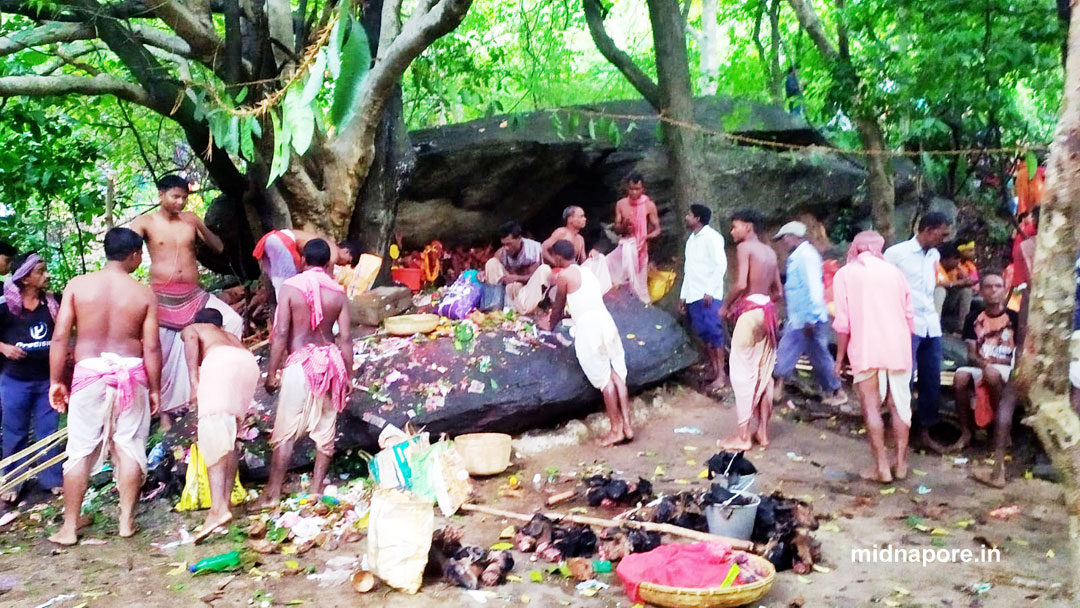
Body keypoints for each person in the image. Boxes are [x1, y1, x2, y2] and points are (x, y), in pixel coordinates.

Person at [47, 228, 161, 545]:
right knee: (128, 446)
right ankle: (126, 521)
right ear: (135, 255)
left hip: (89, 372)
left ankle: (69, 527)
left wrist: (57, 380)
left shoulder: (78, 286)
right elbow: (151, 347)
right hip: (131, 373)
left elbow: (59, 338)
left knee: (80, 450)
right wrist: (154, 388)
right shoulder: (143, 294)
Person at [129, 175, 243, 429]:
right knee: (165, 353)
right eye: (175, 197)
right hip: (162, 296)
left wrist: (200, 228)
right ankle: (167, 416)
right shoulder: (145, 222)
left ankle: (216, 388)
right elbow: (122, 246)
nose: (180, 202)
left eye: (184, 198)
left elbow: (219, 247)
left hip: (194, 294)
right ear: (161, 195)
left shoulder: (190, 219)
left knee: (233, 322)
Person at [249, 239, 351, 511]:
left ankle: (272, 495)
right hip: (330, 363)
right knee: (325, 431)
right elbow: (346, 339)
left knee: (285, 433)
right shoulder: (338, 292)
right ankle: (315, 493)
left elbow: (281, 333)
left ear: (303, 261)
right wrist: (348, 375)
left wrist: (272, 373)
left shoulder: (291, 288)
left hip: (301, 363)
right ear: (328, 263)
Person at [832, 231, 915, 483]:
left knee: (871, 406)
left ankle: (881, 467)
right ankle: (900, 464)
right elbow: (909, 317)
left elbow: (843, 324)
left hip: (866, 348)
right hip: (899, 348)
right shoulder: (896, 273)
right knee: (900, 405)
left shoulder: (844, 274)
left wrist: (839, 359)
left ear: (855, 248)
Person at [538, 240, 631, 446]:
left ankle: (615, 430)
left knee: (604, 380)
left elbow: (559, 307)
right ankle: (627, 425)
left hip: (589, 329)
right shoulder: (588, 272)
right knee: (617, 374)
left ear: (559, 258)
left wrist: (549, 325)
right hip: (606, 322)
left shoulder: (564, 276)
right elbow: (583, 301)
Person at [182, 308, 260, 541]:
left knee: (212, 433)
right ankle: (222, 505)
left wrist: (194, 381)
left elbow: (191, 338)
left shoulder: (195, 328)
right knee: (228, 438)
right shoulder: (230, 337)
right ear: (221, 326)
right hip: (247, 365)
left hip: (221, 365)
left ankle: (217, 510)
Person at [884, 211, 951, 451]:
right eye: (941, 233)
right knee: (904, 378)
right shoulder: (896, 254)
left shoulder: (934, 255)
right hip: (906, 325)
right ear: (927, 229)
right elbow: (883, 287)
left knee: (931, 377)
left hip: (930, 325)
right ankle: (896, 431)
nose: (944, 238)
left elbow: (929, 290)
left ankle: (924, 431)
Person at [0, 252, 62, 504]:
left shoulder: (52, 303)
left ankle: (51, 479)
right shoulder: (5, 306)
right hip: (15, 380)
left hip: (47, 380)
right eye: (40, 271)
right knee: (15, 432)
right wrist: (3, 347)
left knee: (48, 432)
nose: (46, 275)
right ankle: (14, 481)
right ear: (25, 279)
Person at [718, 210, 783, 450]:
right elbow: (778, 293)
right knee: (763, 374)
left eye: (735, 226)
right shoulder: (770, 252)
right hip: (768, 314)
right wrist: (760, 301)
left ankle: (743, 435)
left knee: (742, 372)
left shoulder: (745, 248)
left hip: (750, 315)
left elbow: (741, 283)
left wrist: (726, 306)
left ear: (748, 226)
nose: (732, 231)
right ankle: (763, 432)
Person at [772, 221, 847, 407]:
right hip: (801, 318)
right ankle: (834, 390)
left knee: (798, 352)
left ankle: (777, 389)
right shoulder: (801, 256)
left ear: (792, 237)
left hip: (806, 319)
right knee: (815, 355)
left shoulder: (805, 257)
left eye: (784, 238)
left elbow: (813, 289)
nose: (783, 243)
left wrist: (811, 318)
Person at [952, 273, 1020, 460]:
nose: (993, 290)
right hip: (983, 364)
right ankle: (966, 433)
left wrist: (1003, 365)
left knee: (991, 374)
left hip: (1007, 366)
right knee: (960, 377)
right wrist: (982, 363)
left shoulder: (1014, 317)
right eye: (988, 287)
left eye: (998, 286)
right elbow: (971, 353)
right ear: (981, 291)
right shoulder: (973, 318)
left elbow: (1020, 350)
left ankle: (1000, 432)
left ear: (1005, 290)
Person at [678, 204, 728, 395]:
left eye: (689, 214)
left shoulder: (712, 238)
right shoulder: (691, 240)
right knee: (704, 334)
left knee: (714, 332)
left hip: (709, 295)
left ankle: (721, 375)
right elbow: (688, 271)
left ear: (697, 218)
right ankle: (714, 369)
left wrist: (710, 290)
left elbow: (720, 265)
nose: (686, 217)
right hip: (694, 294)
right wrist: (683, 296)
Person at [252, 228, 361, 300]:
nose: (344, 265)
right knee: (287, 287)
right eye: (348, 262)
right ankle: (286, 320)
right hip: (283, 242)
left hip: (272, 240)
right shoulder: (333, 251)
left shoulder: (324, 244)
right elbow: (327, 278)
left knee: (279, 285)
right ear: (346, 251)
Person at [607, 173, 659, 303]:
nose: (634, 192)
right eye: (631, 189)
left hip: (640, 249)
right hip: (624, 246)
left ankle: (642, 304)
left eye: (637, 189)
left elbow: (657, 229)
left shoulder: (649, 205)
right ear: (627, 188)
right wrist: (624, 226)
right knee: (607, 264)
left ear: (643, 189)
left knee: (639, 281)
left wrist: (647, 237)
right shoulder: (621, 204)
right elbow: (617, 228)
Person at [483, 221, 552, 315]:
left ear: (519, 239)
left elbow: (534, 278)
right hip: (510, 288)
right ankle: (493, 308)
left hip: (529, 290)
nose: (506, 248)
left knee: (544, 269)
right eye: (504, 244)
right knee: (491, 263)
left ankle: (527, 309)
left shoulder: (533, 250)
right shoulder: (502, 252)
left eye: (509, 244)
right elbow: (494, 270)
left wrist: (516, 278)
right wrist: (484, 273)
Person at [935, 242, 976, 335]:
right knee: (940, 290)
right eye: (955, 260)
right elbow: (938, 284)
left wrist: (964, 279)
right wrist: (959, 282)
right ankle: (935, 327)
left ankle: (961, 329)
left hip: (949, 301)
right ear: (947, 259)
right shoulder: (937, 266)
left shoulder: (955, 269)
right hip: (935, 300)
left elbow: (968, 280)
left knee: (966, 291)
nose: (958, 263)